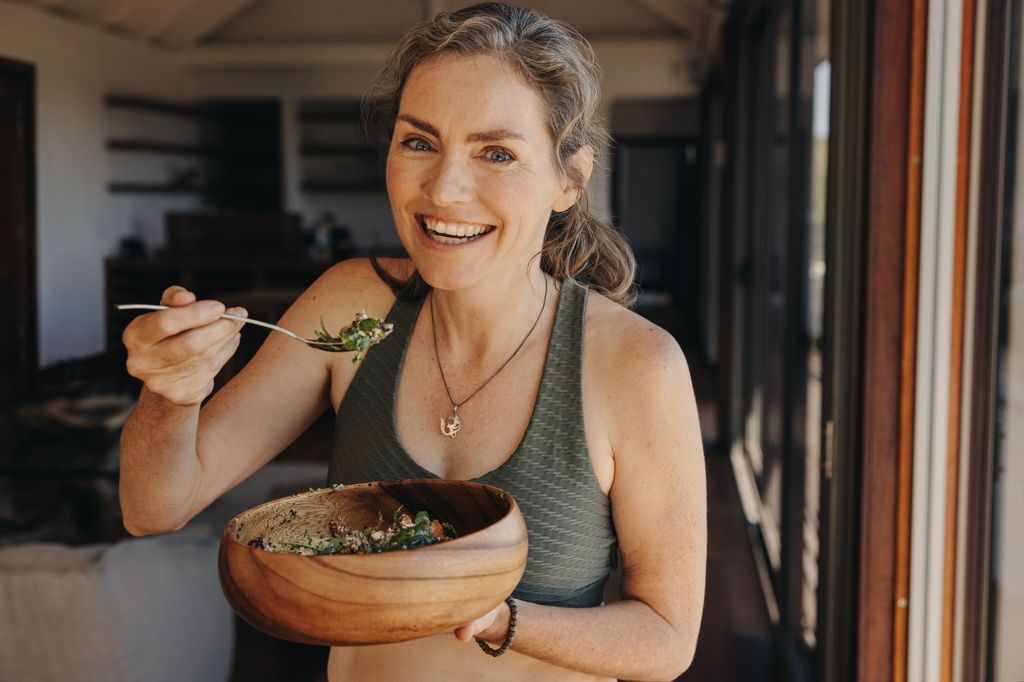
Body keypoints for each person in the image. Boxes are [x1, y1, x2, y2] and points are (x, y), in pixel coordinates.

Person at [118, 4, 706, 681]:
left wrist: (494, 617)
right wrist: (172, 391)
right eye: (419, 142)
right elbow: (152, 506)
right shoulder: (350, 307)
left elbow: (666, 640)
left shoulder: (635, 364)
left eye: (496, 153)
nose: (445, 190)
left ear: (570, 180)